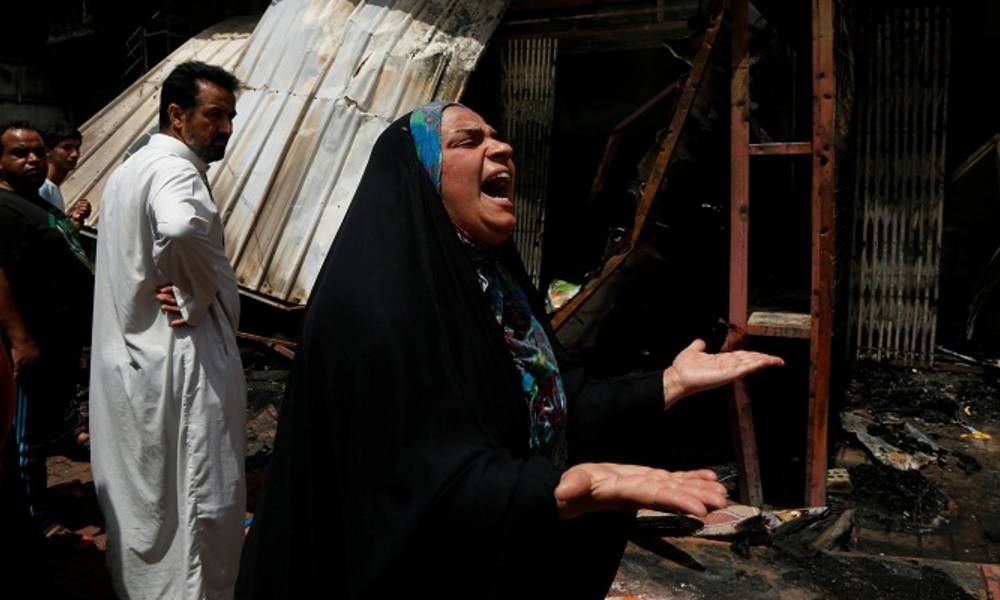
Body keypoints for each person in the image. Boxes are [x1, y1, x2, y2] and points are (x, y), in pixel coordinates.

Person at [235, 102, 784, 599]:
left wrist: (669, 383)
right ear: (421, 177)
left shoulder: (493, 286)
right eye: (467, 141)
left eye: (496, 138)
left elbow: (555, 400)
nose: (502, 149)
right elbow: (409, 480)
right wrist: (566, 489)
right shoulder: (373, 307)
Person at [89, 60, 246, 599]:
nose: (225, 128)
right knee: (199, 499)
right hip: (180, 360)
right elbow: (179, 226)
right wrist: (198, 294)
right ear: (177, 116)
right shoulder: (175, 170)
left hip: (134, 362)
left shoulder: (128, 171)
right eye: (214, 115)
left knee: (148, 501)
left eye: (230, 117)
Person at [0, 121, 95, 548]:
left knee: (40, 431)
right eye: (20, 153)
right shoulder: (4, 209)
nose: (34, 159)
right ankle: (31, 517)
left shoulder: (33, 202)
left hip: (56, 342)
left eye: (38, 151)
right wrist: (20, 339)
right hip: (31, 345)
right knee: (24, 440)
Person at [38, 126, 91, 228]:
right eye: (66, 147)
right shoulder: (42, 188)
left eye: (77, 148)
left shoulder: (53, 188)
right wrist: (74, 226)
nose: (75, 154)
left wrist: (75, 217)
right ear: (48, 151)